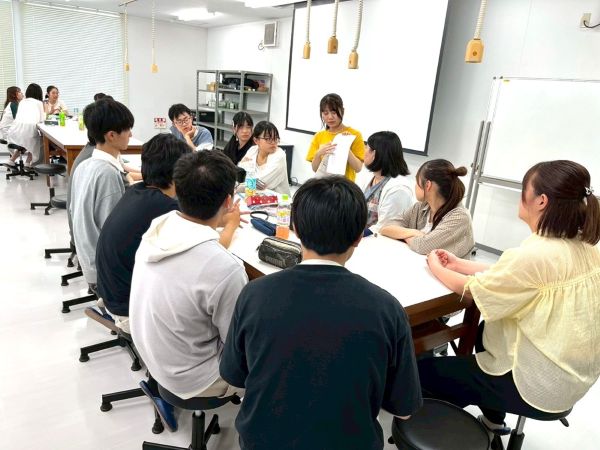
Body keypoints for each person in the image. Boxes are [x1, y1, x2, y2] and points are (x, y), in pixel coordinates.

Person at [220, 176, 423, 450]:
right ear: (358, 237)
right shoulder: (387, 310)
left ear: (294, 228)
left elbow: (234, 375)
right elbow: (404, 410)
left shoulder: (254, 295)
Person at [421, 160, 600, 438]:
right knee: (484, 332)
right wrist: (459, 264)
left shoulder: (536, 254)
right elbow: (514, 276)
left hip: (539, 385)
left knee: (423, 372)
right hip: (571, 379)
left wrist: (435, 266)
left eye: (524, 188)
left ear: (541, 201)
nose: (521, 194)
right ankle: (493, 419)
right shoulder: (584, 247)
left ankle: (442, 427)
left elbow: (474, 290)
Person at [130, 151, 247, 401]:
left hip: (152, 358)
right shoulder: (227, 268)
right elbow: (236, 346)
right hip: (194, 379)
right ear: (228, 201)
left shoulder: (158, 228)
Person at [96, 134, 190, 333]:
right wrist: (229, 224)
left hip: (110, 293)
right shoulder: (166, 207)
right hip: (128, 309)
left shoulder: (136, 190)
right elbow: (204, 252)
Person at [69, 98, 134, 289]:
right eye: (128, 129)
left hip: (89, 261)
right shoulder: (107, 174)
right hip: (105, 272)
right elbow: (115, 234)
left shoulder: (85, 165)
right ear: (111, 135)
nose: (131, 134)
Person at [380, 159, 474, 258]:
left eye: (417, 181)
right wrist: (413, 232)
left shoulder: (460, 217)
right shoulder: (420, 207)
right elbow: (386, 226)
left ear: (428, 185)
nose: (415, 186)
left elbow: (422, 246)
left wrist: (402, 235)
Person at [360, 131, 414, 232]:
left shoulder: (399, 189)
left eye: (366, 147)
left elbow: (386, 228)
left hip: (376, 238)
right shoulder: (369, 177)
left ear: (375, 154)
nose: (363, 151)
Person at [306, 93, 364, 181]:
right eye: (326, 113)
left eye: (334, 112)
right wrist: (318, 154)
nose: (330, 117)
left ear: (342, 111)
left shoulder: (354, 135)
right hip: (324, 184)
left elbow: (358, 168)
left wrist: (345, 146)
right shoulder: (319, 136)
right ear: (321, 114)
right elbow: (315, 169)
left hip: (345, 186)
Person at [237, 121, 290, 195]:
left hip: (276, 198)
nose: (273, 142)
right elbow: (241, 172)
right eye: (268, 139)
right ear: (256, 140)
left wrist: (240, 187)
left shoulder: (279, 155)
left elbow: (262, 183)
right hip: (252, 195)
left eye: (275, 138)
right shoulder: (252, 150)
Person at [6, 83, 45, 167]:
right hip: (28, 131)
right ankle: (29, 163)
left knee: (25, 142)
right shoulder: (39, 103)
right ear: (39, 93)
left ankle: (11, 160)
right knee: (38, 140)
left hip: (14, 131)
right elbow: (42, 120)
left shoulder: (22, 102)